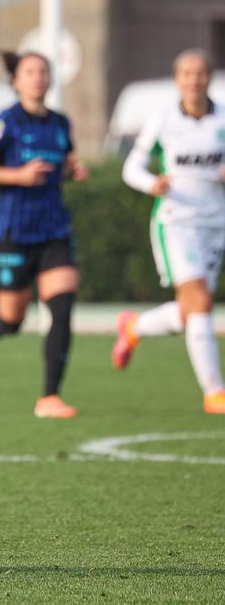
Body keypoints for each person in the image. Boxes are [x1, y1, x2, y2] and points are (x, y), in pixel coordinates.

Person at [0, 51, 88, 418]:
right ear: (17, 80)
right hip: (13, 231)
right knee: (12, 320)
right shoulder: (6, 122)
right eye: (30, 72)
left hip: (54, 230)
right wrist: (18, 175)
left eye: (44, 71)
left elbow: (64, 164)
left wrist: (73, 170)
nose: (38, 78)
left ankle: (49, 397)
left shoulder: (61, 123)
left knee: (61, 309)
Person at [112, 48, 225, 415]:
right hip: (176, 221)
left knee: (192, 311)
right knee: (201, 303)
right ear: (178, 80)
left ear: (209, 78)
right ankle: (215, 392)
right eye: (187, 74)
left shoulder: (221, 119)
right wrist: (151, 184)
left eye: (200, 74)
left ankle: (135, 328)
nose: (194, 80)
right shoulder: (162, 119)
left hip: (215, 222)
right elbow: (132, 167)